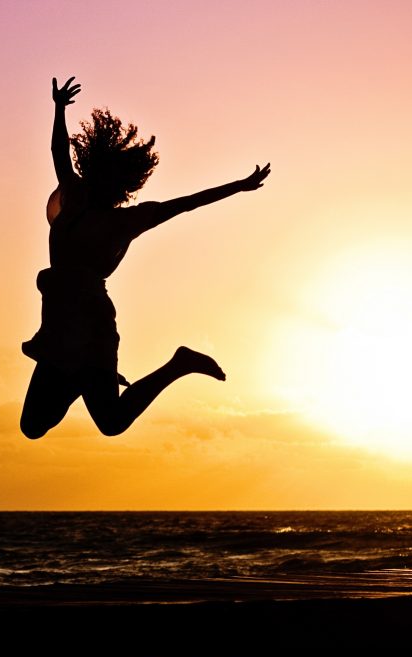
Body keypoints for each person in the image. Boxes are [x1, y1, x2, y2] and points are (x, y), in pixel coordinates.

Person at [20, 76, 270, 438]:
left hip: (91, 326)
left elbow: (187, 204)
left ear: (122, 182)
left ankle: (178, 364)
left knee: (111, 422)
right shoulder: (74, 197)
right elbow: (59, 153)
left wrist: (239, 186)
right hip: (59, 323)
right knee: (32, 425)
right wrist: (58, 109)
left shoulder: (127, 220)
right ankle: (82, 379)